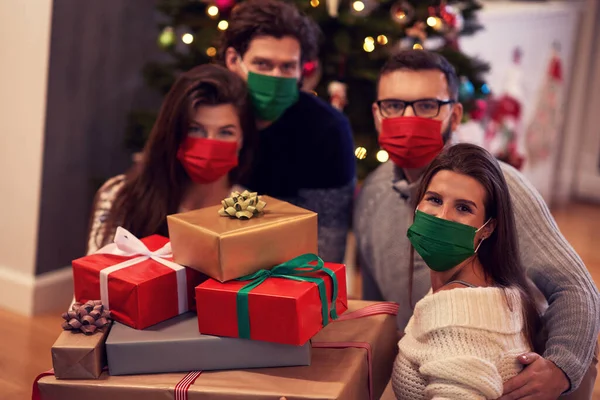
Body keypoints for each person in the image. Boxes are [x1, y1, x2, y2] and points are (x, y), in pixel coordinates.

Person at [354, 49, 599, 398]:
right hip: (431, 360)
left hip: (512, 373)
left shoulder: (503, 186)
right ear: (377, 115)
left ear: (454, 115)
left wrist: (562, 366)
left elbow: (577, 288)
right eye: (394, 106)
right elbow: (378, 312)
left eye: (426, 106)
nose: (407, 119)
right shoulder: (374, 193)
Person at [392, 143, 542, 399]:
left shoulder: (460, 318)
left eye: (463, 208)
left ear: (488, 227)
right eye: (435, 199)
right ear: (418, 203)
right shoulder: (490, 288)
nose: (442, 217)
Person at [220, 0, 356, 263]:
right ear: (233, 60)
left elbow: (324, 242)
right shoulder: (207, 113)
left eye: (287, 67)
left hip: (282, 273)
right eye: (262, 64)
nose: (275, 76)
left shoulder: (327, 130)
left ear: (301, 70)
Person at [86, 64, 256, 254]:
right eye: (195, 129)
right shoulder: (120, 195)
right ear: (175, 132)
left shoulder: (247, 211)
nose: (209, 143)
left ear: (242, 138)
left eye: (226, 132)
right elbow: (97, 276)